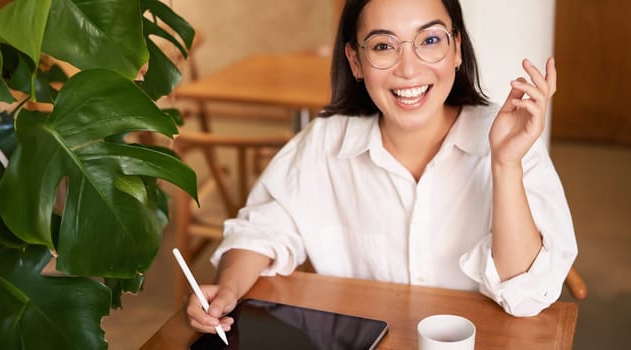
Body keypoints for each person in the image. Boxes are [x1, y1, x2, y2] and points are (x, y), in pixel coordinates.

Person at [186, 0, 577, 334]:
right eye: (383, 46)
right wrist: (230, 288)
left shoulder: (509, 137)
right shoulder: (326, 141)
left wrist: (505, 165)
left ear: (457, 48)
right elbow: (261, 230)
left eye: (430, 40)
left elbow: (525, 297)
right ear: (355, 61)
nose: (408, 69)